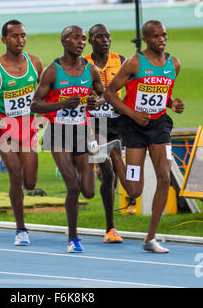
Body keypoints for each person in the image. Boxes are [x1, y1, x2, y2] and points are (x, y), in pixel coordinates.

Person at [104, 20, 185, 253]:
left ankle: (150, 239)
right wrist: (132, 113)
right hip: (133, 127)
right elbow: (110, 93)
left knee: (164, 178)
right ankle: (114, 153)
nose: (162, 39)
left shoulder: (174, 64)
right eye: (156, 36)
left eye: (164, 35)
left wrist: (172, 104)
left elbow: (162, 94)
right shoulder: (134, 63)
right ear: (146, 39)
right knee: (134, 190)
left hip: (159, 126)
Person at [30, 25, 105, 253]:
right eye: (76, 38)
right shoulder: (52, 71)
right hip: (58, 132)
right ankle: (73, 238)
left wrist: (96, 103)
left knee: (89, 191)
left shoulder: (90, 70)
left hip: (81, 132)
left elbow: (102, 94)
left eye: (83, 39)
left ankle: (86, 168)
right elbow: (34, 105)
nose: (81, 42)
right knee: (72, 185)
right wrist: (62, 104)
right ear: (64, 41)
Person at [0, 20, 43, 246]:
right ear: (4, 39)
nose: (20, 40)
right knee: (16, 173)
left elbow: (44, 92)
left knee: (30, 183)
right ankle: (21, 229)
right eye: (14, 36)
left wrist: (45, 114)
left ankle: (7, 163)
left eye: (23, 35)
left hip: (27, 126)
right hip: (4, 128)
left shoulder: (35, 63)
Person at [83, 24, 125, 244]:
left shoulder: (122, 60)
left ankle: (95, 166)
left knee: (114, 175)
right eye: (99, 37)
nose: (105, 40)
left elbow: (134, 86)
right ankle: (110, 229)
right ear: (91, 41)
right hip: (93, 123)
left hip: (117, 123)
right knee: (108, 173)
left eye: (107, 36)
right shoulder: (83, 64)